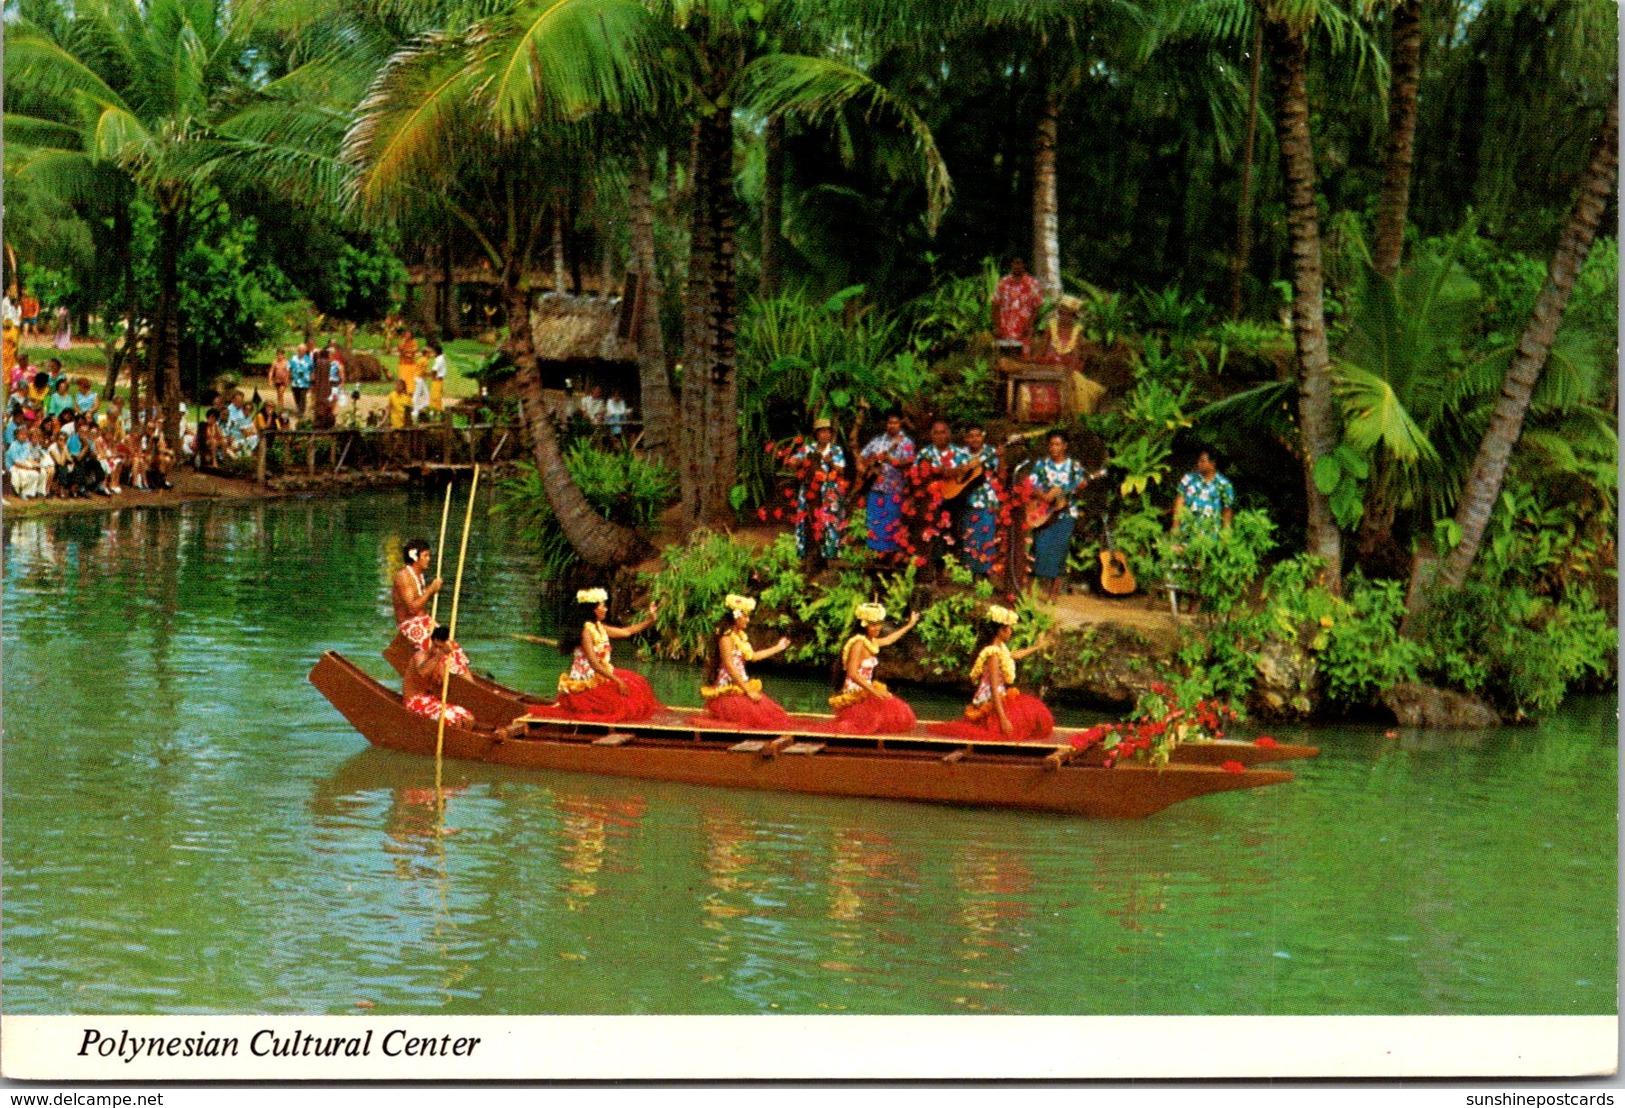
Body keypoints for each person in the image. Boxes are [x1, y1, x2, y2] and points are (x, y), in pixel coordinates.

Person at [927, 606, 1054, 743]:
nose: (1011, 632)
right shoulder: (992, 654)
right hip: (990, 698)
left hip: (1000, 694)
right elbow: (993, 687)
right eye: (1009, 629)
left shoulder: (1001, 649)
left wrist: (1037, 647)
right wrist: (1003, 719)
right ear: (1000, 630)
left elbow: (1016, 655)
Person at [548, 588, 663, 722]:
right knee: (622, 702)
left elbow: (626, 632)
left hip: (601, 676)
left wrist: (651, 620)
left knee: (637, 682)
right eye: (603, 606)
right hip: (586, 683)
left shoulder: (598, 626)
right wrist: (617, 680)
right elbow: (593, 663)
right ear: (593, 609)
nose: (606, 609)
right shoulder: (586, 631)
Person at [701, 594, 793, 729]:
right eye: (745, 616)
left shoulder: (740, 637)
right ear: (736, 616)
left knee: (771, 714)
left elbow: (753, 656)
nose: (748, 620)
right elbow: (730, 666)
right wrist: (748, 691)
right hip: (729, 690)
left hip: (741, 686)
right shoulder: (726, 639)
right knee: (757, 717)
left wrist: (778, 647)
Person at [828, 603, 920, 735]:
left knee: (899, 713)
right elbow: (852, 673)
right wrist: (874, 691)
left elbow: (888, 640)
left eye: (879, 623)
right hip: (854, 692)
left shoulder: (869, 641)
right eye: (873, 624)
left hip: (867, 689)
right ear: (864, 624)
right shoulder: (858, 643)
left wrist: (909, 625)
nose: (878, 628)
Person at [1026, 430, 1092, 603]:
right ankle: (1027, 590)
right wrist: (1044, 497)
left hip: (1065, 515)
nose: (1054, 448)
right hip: (1043, 514)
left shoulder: (1073, 466)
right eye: (1051, 444)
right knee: (1038, 550)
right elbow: (1030, 485)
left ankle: (1053, 594)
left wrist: (1080, 486)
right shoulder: (1042, 464)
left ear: (1065, 446)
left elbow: (1079, 485)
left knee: (1059, 552)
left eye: (1057, 444)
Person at [911, 419, 973, 575]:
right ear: (931, 435)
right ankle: (930, 567)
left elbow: (968, 475)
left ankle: (947, 568)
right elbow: (915, 473)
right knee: (931, 534)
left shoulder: (960, 454)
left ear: (949, 434)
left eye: (943, 432)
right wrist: (943, 472)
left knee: (952, 534)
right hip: (930, 502)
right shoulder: (925, 454)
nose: (940, 436)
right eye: (936, 432)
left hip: (953, 500)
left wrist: (952, 473)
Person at [790, 417, 848, 565]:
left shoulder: (836, 450)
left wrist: (830, 462)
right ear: (816, 434)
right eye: (821, 432)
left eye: (827, 431)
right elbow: (792, 461)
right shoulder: (809, 449)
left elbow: (841, 470)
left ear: (831, 433)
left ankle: (831, 552)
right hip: (810, 490)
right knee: (809, 518)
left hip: (829, 490)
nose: (825, 434)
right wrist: (801, 461)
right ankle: (807, 551)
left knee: (831, 520)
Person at [859, 412, 916, 558]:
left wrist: (892, 461)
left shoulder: (906, 442)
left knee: (891, 521)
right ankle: (875, 554)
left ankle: (890, 557)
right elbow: (862, 457)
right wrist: (869, 467)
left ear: (900, 424)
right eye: (890, 423)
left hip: (895, 488)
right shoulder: (877, 440)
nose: (892, 426)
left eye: (895, 423)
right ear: (886, 424)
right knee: (875, 520)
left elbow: (910, 463)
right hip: (876, 486)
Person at [403, 625, 476, 729]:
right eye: (435, 646)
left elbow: (470, 683)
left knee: (469, 718)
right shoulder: (420, 655)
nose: (436, 650)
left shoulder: (446, 661)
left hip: (432, 700)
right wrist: (441, 653)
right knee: (453, 720)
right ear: (432, 641)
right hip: (414, 701)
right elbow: (423, 672)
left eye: (440, 647)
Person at [958, 424, 1004, 577]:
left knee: (986, 536)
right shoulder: (961, 454)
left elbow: (1001, 474)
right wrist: (963, 469)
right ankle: (969, 574)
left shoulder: (991, 452)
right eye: (971, 436)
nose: (974, 439)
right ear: (965, 438)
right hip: (967, 499)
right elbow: (954, 475)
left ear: (983, 437)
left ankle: (985, 574)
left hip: (988, 500)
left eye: (978, 435)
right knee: (969, 536)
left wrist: (1001, 457)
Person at [1172, 449, 1235, 541]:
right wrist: (1175, 526)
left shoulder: (1224, 484)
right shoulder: (1189, 479)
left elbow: (1227, 510)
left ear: (1212, 463)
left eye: (1202, 461)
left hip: (1209, 534)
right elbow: (1179, 501)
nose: (1198, 464)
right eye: (1199, 461)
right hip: (1187, 529)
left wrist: (1225, 536)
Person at [392, 538, 444, 648]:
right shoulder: (404, 577)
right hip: (410, 625)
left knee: (451, 646)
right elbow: (412, 608)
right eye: (425, 556)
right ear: (414, 557)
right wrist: (431, 589)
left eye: (429, 555)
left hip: (423, 620)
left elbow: (419, 596)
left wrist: (432, 589)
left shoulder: (418, 575)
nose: (429, 559)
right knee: (442, 647)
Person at [991, 258, 1044, 353]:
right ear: (1011, 265)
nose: (1017, 266)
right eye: (1014, 263)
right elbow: (995, 304)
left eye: (1020, 264)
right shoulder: (1003, 282)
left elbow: (1037, 306)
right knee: (1003, 356)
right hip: (1004, 329)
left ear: (1024, 265)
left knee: (1023, 356)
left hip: (1023, 329)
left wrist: (1030, 325)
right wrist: (996, 326)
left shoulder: (1033, 284)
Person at [6, 425, 49, 499]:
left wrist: (38, 465)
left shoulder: (26, 444)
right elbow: (16, 463)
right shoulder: (13, 445)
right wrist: (30, 468)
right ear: (17, 435)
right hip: (14, 467)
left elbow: (29, 458)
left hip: (24, 464)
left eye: (25, 434)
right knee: (33, 474)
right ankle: (24, 493)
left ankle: (39, 492)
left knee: (43, 472)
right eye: (21, 434)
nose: (24, 436)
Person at [288, 343, 313, 417]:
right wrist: (289, 378)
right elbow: (289, 368)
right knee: (296, 397)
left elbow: (312, 370)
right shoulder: (293, 358)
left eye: (303, 350)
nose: (301, 352)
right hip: (295, 382)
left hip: (305, 382)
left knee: (302, 396)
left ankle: (301, 412)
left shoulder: (308, 359)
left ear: (305, 351)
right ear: (297, 350)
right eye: (299, 350)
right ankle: (299, 408)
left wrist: (312, 382)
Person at [427, 342, 448, 414]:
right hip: (439, 380)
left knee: (435, 398)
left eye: (432, 352)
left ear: (436, 352)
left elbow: (434, 371)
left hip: (437, 381)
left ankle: (435, 412)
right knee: (436, 397)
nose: (432, 354)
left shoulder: (439, 360)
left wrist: (426, 374)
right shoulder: (441, 358)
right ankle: (436, 411)